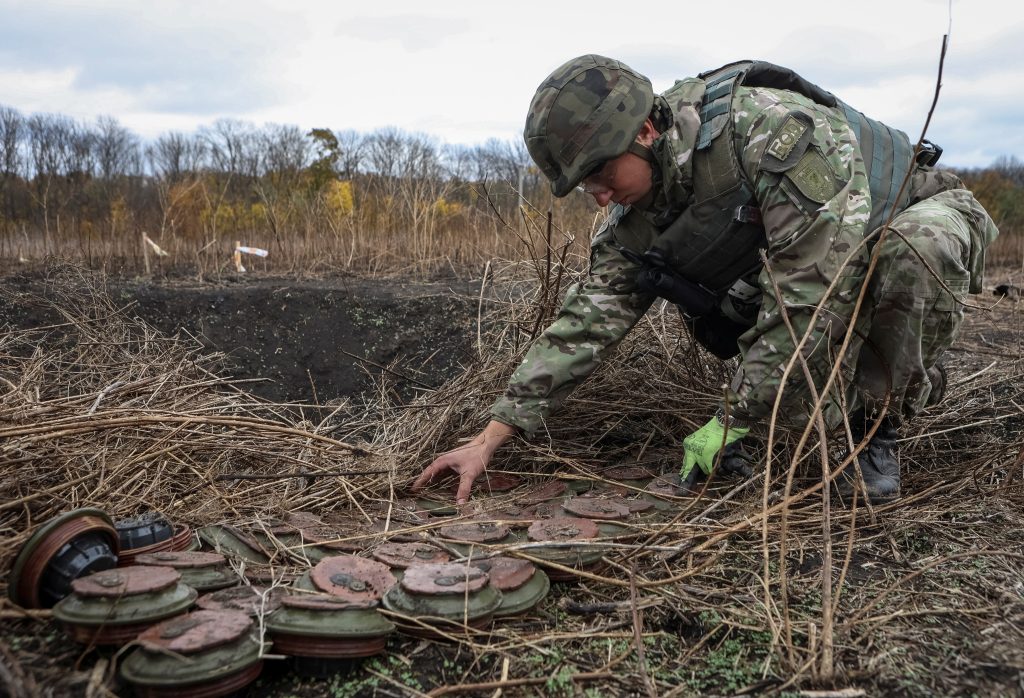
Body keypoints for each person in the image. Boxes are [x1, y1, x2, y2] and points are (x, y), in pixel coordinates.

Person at [413, 55, 999, 506]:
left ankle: (877, 424)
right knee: (732, 305)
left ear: (644, 131)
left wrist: (731, 421)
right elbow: (584, 324)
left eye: (598, 172)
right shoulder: (630, 223)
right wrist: (490, 438)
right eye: (580, 183)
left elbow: (812, 297)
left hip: (908, 216)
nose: (596, 194)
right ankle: (819, 408)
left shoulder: (771, 132)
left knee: (913, 252)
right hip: (817, 264)